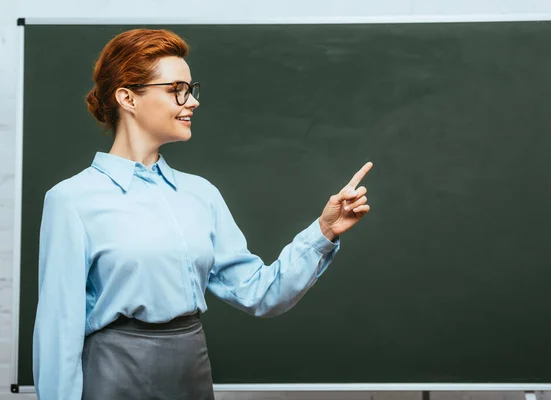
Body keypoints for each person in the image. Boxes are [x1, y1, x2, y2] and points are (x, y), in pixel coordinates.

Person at [32, 28, 372, 400]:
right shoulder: (71, 200)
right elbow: (57, 331)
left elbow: (261, 293)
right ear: (128, 97)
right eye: (177, 89)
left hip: (190, 370)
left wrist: (323, 232)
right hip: (114, 374)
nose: (191, 102)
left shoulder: (201, 194)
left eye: (192, 89)